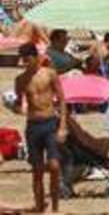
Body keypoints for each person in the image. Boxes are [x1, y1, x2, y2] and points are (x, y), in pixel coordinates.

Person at [14, 42, 67, 213]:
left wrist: (63, 126)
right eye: (24, 60)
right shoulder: (20, 80)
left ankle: (55, 207)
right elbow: (18, 102)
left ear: (36, 57)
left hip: (50, 122)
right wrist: (16, 107)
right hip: (33, 126)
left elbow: (62, 100)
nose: (25, 63)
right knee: (37, 171)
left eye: (28, 59)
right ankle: (39, 207)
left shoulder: (50, 74)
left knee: (54, 166)